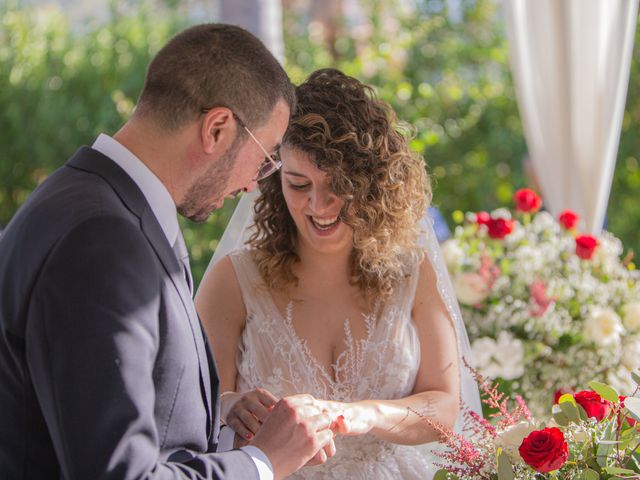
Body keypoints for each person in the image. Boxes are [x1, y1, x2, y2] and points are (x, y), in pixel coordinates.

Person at [0, 24, 337, 480]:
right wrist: (263, 462)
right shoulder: (102, 240)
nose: (252, 184)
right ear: (217, 128)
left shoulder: (96, 203)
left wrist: (227, 428)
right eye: (264, 158)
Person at [196, 68, 481, 479]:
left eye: (337, 185)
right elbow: (194, 411)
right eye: (298, 184)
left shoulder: (410, 271)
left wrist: (364, 415)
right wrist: (229, 407)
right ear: (276, 182)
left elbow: (444, 407)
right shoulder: (235, 279)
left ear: (371, 183)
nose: (319, 205)